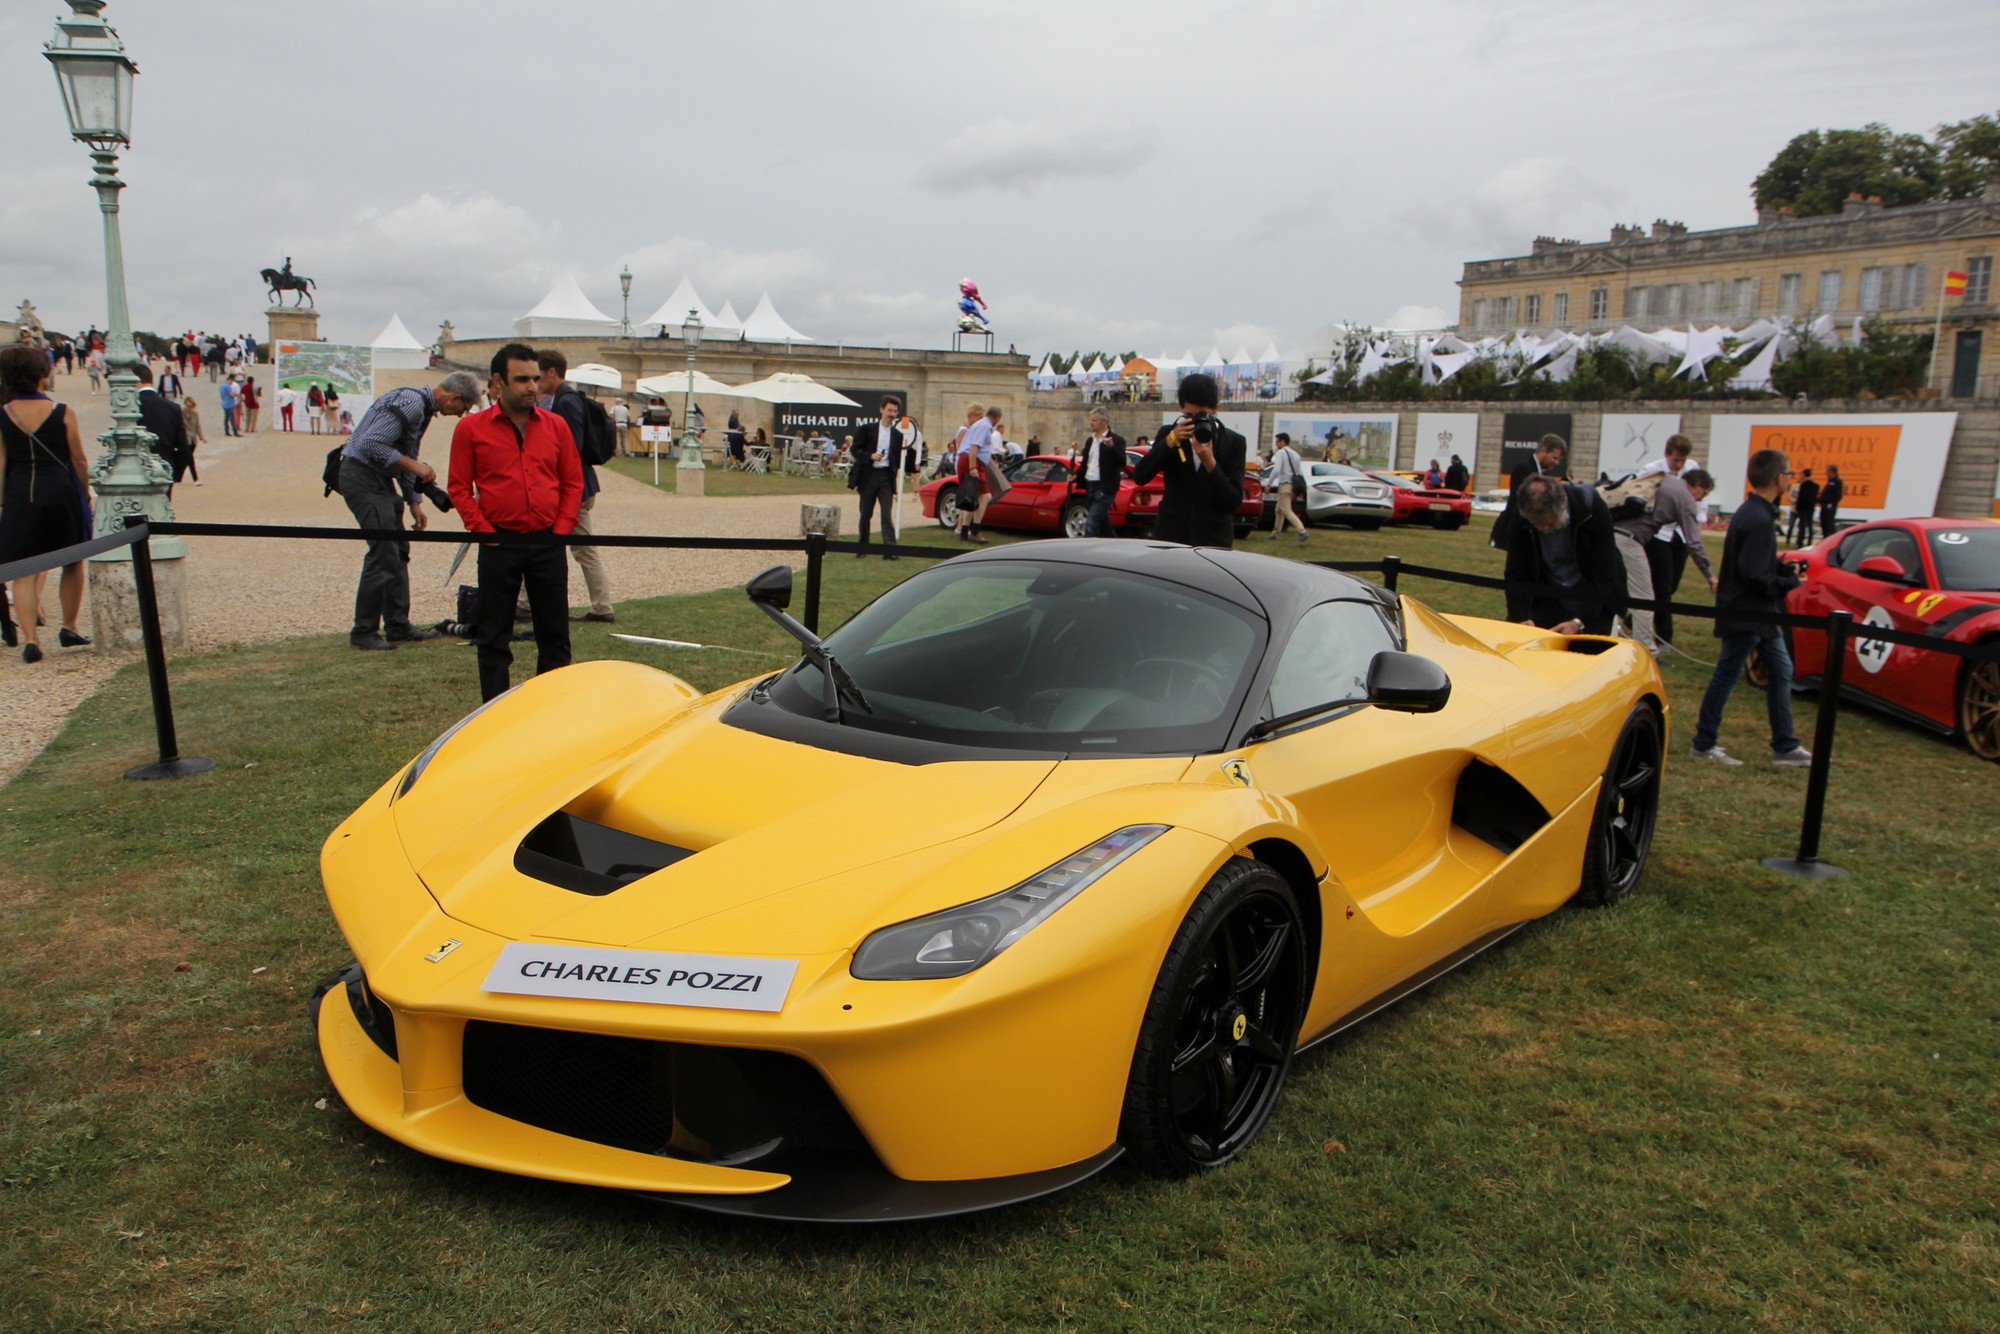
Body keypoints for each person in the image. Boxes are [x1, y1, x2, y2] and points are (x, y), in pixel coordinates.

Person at [448, 343, 583, 702]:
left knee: (555, 636)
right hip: (498, 543)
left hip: (547, 542)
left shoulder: (556, 427)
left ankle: (550, 710)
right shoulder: (470, 430)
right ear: (498, 381)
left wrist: (560, 531)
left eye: (535, 378)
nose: (531, 387)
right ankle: (493, 714)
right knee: (493, 636)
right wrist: (483, 530)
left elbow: (573, 482)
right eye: (521, 379)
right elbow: (459, 488)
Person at [338, 369, 480, 650]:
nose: (460, 415)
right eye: (463, 408)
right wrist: (417, 468)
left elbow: (405, 454)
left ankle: (398, 626)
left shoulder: (420, 406)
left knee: (398, 550)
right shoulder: (413, 403)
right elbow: (371, 444)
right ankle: (363, 632)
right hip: (362, 477)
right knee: (382, 553)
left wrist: (414, 502)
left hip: (375, 479)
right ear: (454, 397)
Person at [1690, 449, 1810, 767]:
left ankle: (1785, 746)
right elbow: (1755, 574)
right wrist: (1787, 582)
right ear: (1777, 479)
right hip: (1747, 612)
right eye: (1788, 473)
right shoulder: (1757, 518)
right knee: (1726, 676)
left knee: (1782, 672)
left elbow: (1759, 564)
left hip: (1759, 613)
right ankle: (1703, 743)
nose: (1790, 479)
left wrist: (1783, 571)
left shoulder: (1753, 512)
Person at [0, 344, 94, 659]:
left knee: (24, 569)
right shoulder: (62, 411)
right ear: (43, 374)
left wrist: (3, 500)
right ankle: (69, 626)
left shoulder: (4, 414)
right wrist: (85, 492)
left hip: (21, 490)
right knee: (72, 559)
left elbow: (1, 462)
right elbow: (78, 460)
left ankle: (30, 639)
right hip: (60, 489)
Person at [535, 349, 614, 622]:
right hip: (575, 485)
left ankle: (602, 606)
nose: (535, 381)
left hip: (574, 488)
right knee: (541, 542)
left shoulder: (566, 402)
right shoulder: (562, 399)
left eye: (539, 374)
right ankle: (524, 602)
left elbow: (572, 447)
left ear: (551, 373)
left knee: (583, 549)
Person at [1129, 372, 1245, 549]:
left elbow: (1233, 501)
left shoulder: (1233, 442)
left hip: (1213, 539)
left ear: (1215, 409)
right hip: (1172, 536)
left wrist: (1210, 463)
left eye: (1203, 416)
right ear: (1181, 409)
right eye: (1190, 416)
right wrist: (1169, 441)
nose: (1196, 422)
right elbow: (1140, 476)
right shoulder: (1169, 434)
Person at [1503, 473, 1624, 636]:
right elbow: (1516, 571)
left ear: (1563, 503)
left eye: (1550, 524)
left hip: (1591, 596)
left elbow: (1603, 573)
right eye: (1537, 525)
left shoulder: (1591, 509)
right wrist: (1521, 617)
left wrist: (1578, 622)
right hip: (1547, 594)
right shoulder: (1522, 515)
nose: (1544, 530)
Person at [1645, 466, 1716, 650]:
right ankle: (1660, 640)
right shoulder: (1684, 497)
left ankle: (1637, 623)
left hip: (1652, 538)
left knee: (1662, 588)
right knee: (1661, 590)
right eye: (1703, 494)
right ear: (1697, 485)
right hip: (1649, 538)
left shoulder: (1669, 484)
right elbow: (1695, 542)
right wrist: (1710, 575)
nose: (1701, 499)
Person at [850, 396, 917, 558]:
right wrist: (870, 456)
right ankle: (862, 548)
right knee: (866, 513)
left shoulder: (897, 435)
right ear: (881, 410)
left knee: (886, 514)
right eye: (889, 410)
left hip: (886, 477)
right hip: (869, 475)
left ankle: (890, 551)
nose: (892, 414)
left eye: (895, 411)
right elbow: (855, 450)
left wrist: (895, 481)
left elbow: (895, 461)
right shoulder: (867, 429)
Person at [1490, 433, 1567, 550]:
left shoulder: (1544, 474)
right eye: (1554, 458)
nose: (1557, 463)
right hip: (1513, 533)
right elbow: (1518, 504)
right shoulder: (1523, 469)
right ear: (1543, 451)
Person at [133, 363, 188, 498]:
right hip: (164, 469)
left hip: (135, 471)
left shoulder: (131, 407)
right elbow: (183, 448)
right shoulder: (173, 408)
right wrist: (175, 473)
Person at [1074, 407, 1126, 539]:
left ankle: (1085, 551)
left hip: (1105, 487)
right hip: (1090, 485)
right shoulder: (1090, 440)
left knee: (1091, 523)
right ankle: (1115, 543)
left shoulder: (1116, 440)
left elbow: (1122, 462)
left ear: (1104, 421)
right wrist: (1075, 476)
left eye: (1094, 420)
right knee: (1103, 523)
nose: (1091, 423)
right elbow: (1086, 463)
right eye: (1091, 420)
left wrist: (1112, 448)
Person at [1265, 430, 1307, 544]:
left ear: (1283, 441)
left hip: (1284, 484)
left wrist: (1269, 483)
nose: (1276, 444)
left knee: (1286, 510)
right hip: (1293, 485)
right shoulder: (1295, 454)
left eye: (1277, 441)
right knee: (1279, 510)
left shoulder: (1280, 453)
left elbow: (1276, 469)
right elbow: (1299, 472)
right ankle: (1275, 533)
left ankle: (1301, 531)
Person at [1788, 467, 1820, 548]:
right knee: (1809, 526)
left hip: (1803, 509)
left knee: (1802, 526)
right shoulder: (1815, 486)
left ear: (1804, 475)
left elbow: (1801, 498)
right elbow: (1815, 498)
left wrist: (1798, 507)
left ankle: (1800, 542)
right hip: (1810, 509)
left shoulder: (1804, 485)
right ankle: (1809, 540)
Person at [1818, 464, 1843, 537]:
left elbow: (1838, 495)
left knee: (1829, 525)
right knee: (1824, 525)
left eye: (1828, 471)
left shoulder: (1837, 482)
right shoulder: (1829, 482)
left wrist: (1832, 503)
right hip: (1824, 506)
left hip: (1830, 507)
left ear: (1832, 472)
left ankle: (1831, 540)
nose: (1826, 473)